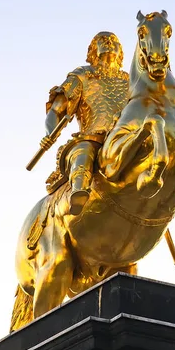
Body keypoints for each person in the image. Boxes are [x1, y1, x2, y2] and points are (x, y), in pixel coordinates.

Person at [40, 32, 129, 215]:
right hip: (93, 137)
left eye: (114, 41)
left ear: (121, 51)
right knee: (84, 151)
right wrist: (51, 133)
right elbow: (56, 111)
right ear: (93, 50)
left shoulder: (131, 80)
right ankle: (79, 190)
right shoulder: (82, 75)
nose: (109, 43)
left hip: (126, 138)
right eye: (103, 41)